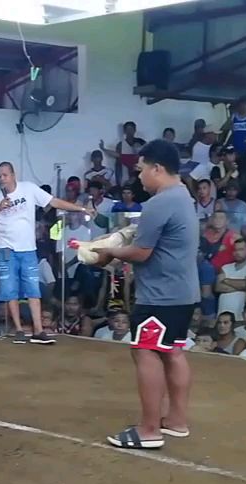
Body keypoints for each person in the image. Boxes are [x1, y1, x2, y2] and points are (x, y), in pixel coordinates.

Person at [90, 140, 199, 450]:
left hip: (160, 295)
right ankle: (176, 421)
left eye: (140, 170)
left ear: (157, 168)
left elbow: (141, 252)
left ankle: (149, 430)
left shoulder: (160, 203)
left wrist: (108, 251)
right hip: (181, 292)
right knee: (173, 351)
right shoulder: (183, 196)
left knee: (145, 351)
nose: (138, 177)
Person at [0, 161, 94, 344]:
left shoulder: (28, 189)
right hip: (5, 249)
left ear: (13, 175)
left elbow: (53, 201)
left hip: (27, 249)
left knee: (33, 290)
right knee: (10, 290)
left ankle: (38, 330)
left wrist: (81, 208)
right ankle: (19, 330)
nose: (2, 179)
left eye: (5, 175)